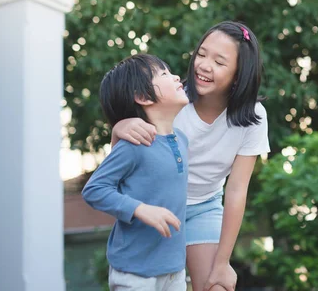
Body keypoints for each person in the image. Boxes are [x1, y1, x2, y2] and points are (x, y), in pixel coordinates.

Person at [112, 21, 270, 291]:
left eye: (219, 62)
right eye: (202, 54)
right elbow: (124, 165)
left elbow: (236, 191)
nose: (205, 65)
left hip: (204, 207)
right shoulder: (172, 101)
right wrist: (118, 130)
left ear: (239, 74)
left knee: (216, 285)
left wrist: (223, 262)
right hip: (157, 207)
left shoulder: (253, 118)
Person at [82, 54, 190, 291]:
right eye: (163, 74)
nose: (175, 77)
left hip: (174, 271)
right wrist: (140, 209)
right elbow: (94, 189)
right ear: (142, 97)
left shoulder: (181, 140)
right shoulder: (133, 145)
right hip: (135, 273)